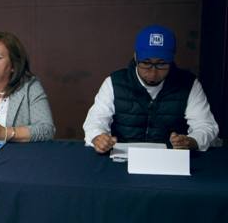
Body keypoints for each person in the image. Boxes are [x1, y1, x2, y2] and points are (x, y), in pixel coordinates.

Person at [83, 24, 219, 153]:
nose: (153, 73)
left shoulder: (189, 84)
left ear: (171, 60)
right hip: (123, 157)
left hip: (170, 159)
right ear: (136, 57)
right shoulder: (114, 82)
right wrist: (98, 137)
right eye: (146, 63)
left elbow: (206, 125)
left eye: (162, 64)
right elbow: (96, 120)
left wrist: (192, 141)